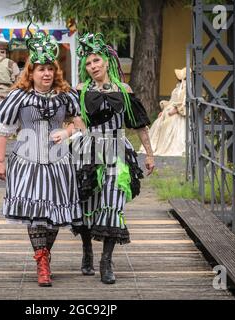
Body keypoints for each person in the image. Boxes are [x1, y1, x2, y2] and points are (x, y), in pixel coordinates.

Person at [0, 32, 85, 287]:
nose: (46, 74)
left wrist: (66, 131)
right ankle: (41, 260)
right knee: (35, 212)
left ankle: (45, 255)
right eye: (41, 69)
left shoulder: (66, 96)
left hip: (58, 162)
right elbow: (2, 128)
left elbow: (80, 124)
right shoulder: (18, 96)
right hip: (27, 161)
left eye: (50, 69)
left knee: (53, 213)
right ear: (31, 73)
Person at [72, 33, 155, 284]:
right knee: (87, 202)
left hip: (117, 151)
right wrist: (84, 134)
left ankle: (106, 260)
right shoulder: (80, 90)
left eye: (96, 61)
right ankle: (87, 251)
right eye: (88, 63)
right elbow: (73, 118)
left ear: (107, 62)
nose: (93, 66)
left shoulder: (124, 90)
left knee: (113, 201)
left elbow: (139, 124)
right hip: (89, 149)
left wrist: (149, 154)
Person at [139, 67, 187, 156]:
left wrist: (176, 110)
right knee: (159, 123)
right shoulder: (178, 87)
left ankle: (168, 146)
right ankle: (155, 146)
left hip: (177, 114)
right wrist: (164, 110)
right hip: (169, 110)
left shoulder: (186, 89)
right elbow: (172, 100)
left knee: (168, 124)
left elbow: (184, 103)